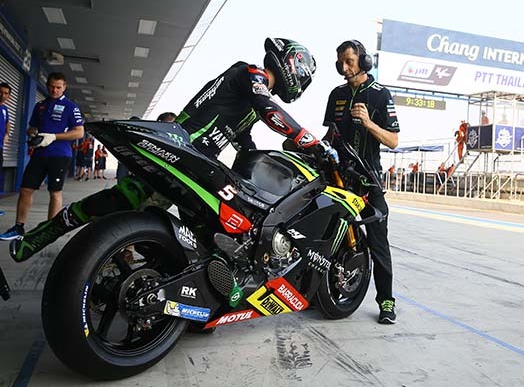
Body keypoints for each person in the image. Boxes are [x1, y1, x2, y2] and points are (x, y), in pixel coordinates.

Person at [6, 38, 335, 262]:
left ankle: (188, 285)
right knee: (123, 200)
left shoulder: (252, 100)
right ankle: (41, 237)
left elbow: (245, 143)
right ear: (293, 66)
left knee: (150, 212)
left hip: (198, 164)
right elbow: (270, 111)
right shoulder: (250, 74)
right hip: (183, 150)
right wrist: (313, 142)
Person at [323, 39, 400, 324]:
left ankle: (387, 301)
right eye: (340, 62)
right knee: (329, 238)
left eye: (349, 61)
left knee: (378, 242)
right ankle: (323, 292)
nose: (344, 68)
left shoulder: (380, 95)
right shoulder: (337, 94)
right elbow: (330, 135)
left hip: (367, 182)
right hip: (338, 179)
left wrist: (368, 124)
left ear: (364, 62)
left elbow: (393, 140)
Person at [0, 73, 84, 241]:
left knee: (55, 192)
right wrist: (34, 133)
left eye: (58, 87)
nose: (55, 90)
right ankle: (18, 227)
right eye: (52, 86)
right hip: (39, 154)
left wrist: (54, 136)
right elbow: (31, 128)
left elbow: (79, 132)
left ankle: (48, 231)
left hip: (60, 155)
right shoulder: (40, 106)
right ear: (47, 86)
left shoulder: (71, 106)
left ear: (64, 87)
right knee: (25, 190)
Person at [0, 83, 12, 214]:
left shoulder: (5, 109)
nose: (2, 95)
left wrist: (7, 134)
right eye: (0, 92)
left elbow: (7, 122)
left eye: (6, 93)